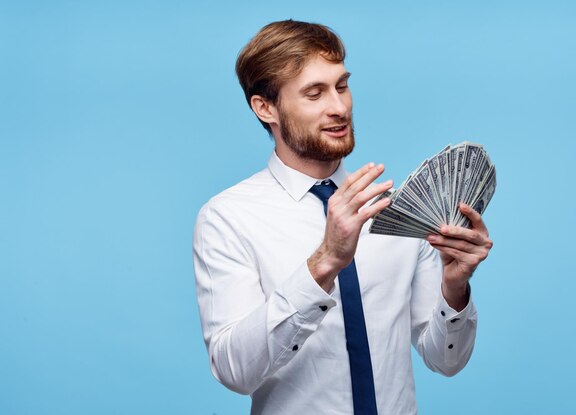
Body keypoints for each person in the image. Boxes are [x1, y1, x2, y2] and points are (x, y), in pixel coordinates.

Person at [193, 19, 493, 415]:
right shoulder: (228, 218)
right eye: (314, 94)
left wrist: (455, 290)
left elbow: (446, 360)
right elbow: (234, 371)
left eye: (342, 86)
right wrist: (323, 263)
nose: (339, 107)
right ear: (266, 108)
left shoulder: (396, 211)